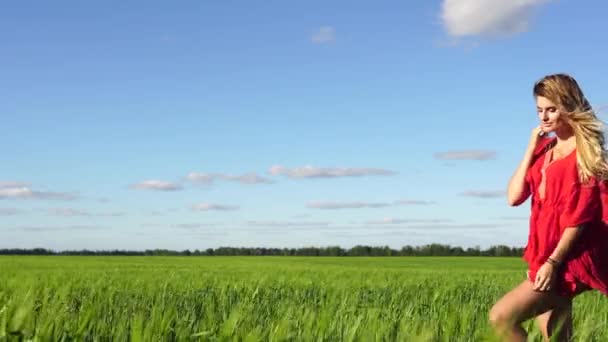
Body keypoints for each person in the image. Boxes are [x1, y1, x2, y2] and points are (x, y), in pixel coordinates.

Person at [489, 73, 608, 341]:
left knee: (501, 317)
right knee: (554, 334)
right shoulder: (544, 150)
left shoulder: (585, 154)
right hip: (544, 254)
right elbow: (514, 196)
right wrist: (531, 148)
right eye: (539, 110)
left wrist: (553, 262)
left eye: (551, 109)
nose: (544, 117)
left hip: (568, 258)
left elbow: (580, 217)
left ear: (568, 106)